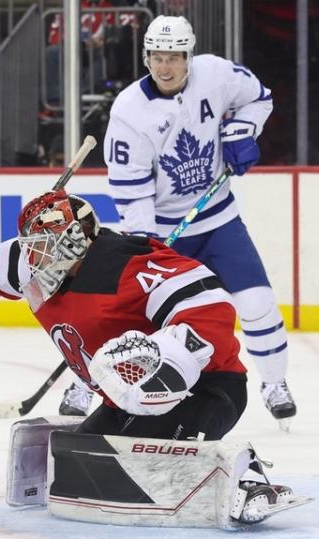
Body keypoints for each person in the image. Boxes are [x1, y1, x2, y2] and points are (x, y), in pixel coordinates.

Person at [0, 191, 302, 525]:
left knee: (148, 468)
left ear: (72, 240)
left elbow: (209, 300)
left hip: (203, 389)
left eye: (40, 246)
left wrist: (167, 357)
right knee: (74, 472)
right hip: (125, 399)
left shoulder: (124, 265)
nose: (31, 257)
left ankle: (246, 481)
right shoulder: (31, 263)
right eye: (30, 245)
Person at [89, 15, 295, 427]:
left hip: (219, 220)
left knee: (256, 303)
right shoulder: (130, 111)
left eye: (174, 57)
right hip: (166, 232)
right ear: (146, 57)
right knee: (134, 320)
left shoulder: (216, 75)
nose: (164, 67)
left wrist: (240, 131)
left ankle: (275, 384)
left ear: (189, 56)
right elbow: (131, 187)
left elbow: (260, 97)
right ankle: (92, 384)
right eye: (156, 57)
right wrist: (146, 240)